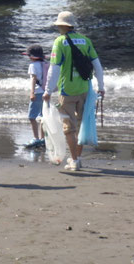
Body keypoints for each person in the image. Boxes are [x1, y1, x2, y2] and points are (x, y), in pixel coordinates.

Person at [43, 11, 105, 171]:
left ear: (63, 26)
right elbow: (97, 65)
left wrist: (48, 90)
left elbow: (54, 69)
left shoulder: (60, 42)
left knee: (68, 128)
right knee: (81, 125)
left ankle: (75, 160)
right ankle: (76, 157)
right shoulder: (85, 41)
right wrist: (101, 86)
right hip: (85, 88)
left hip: (67, 91)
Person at [23, 45, 46, 149]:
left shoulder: (33, 65)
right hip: (45, 92)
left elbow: (33, 79)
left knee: (32, 117)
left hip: (37, 92)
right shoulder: (45, 64)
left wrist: (32, 92)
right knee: (42, 117)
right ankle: (43, 139)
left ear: (32, 57)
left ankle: (36, 138)